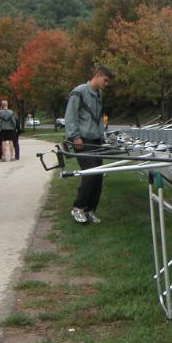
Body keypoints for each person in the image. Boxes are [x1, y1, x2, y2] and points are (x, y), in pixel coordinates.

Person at [64, 65, 113, 225]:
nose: (106, 84)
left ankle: (90, 210)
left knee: (99, 176)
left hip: (96, 141)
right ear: (97, 76)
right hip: (82, 140)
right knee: (90, 174)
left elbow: (98, 119)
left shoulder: (99, 94)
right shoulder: (79, 92)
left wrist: (102, 137)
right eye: (105, 80)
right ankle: (77, 208)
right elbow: (70, 116)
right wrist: (75, 137)